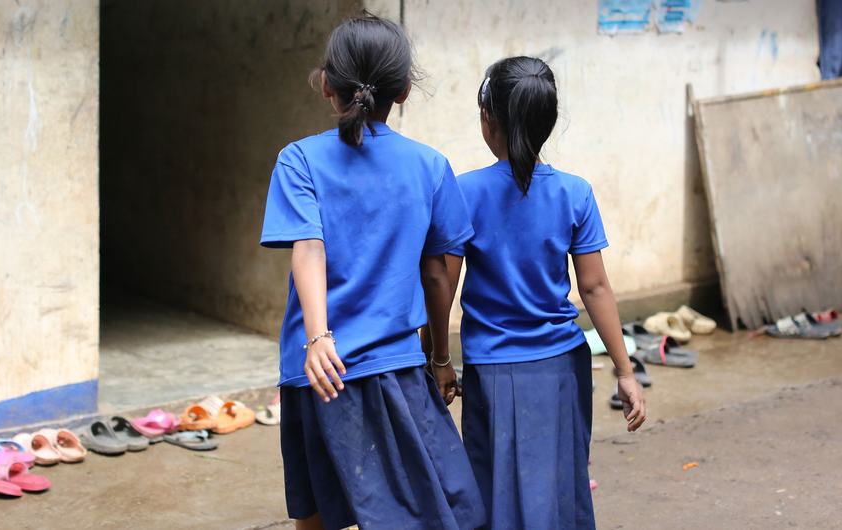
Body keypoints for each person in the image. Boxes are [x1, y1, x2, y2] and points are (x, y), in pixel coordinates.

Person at [259, 13, 485, 530]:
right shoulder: (429, 166)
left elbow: (308, 248)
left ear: (328, 87)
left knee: (315, 515)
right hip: (395, 370)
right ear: (403, 90)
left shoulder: (298, 160)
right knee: (439, 509)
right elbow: (439, 273)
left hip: (315, 373)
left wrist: (318, 339)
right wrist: (440, 357)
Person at [445, 56, 647, 529]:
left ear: (488, 120)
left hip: (493, 367)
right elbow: (594, 287)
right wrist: (625, 369)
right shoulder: (575, 193)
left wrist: (435, 358)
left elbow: (443, 283)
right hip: (561, 366)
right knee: (558, 487)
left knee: (494, 490)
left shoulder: (464, 192)